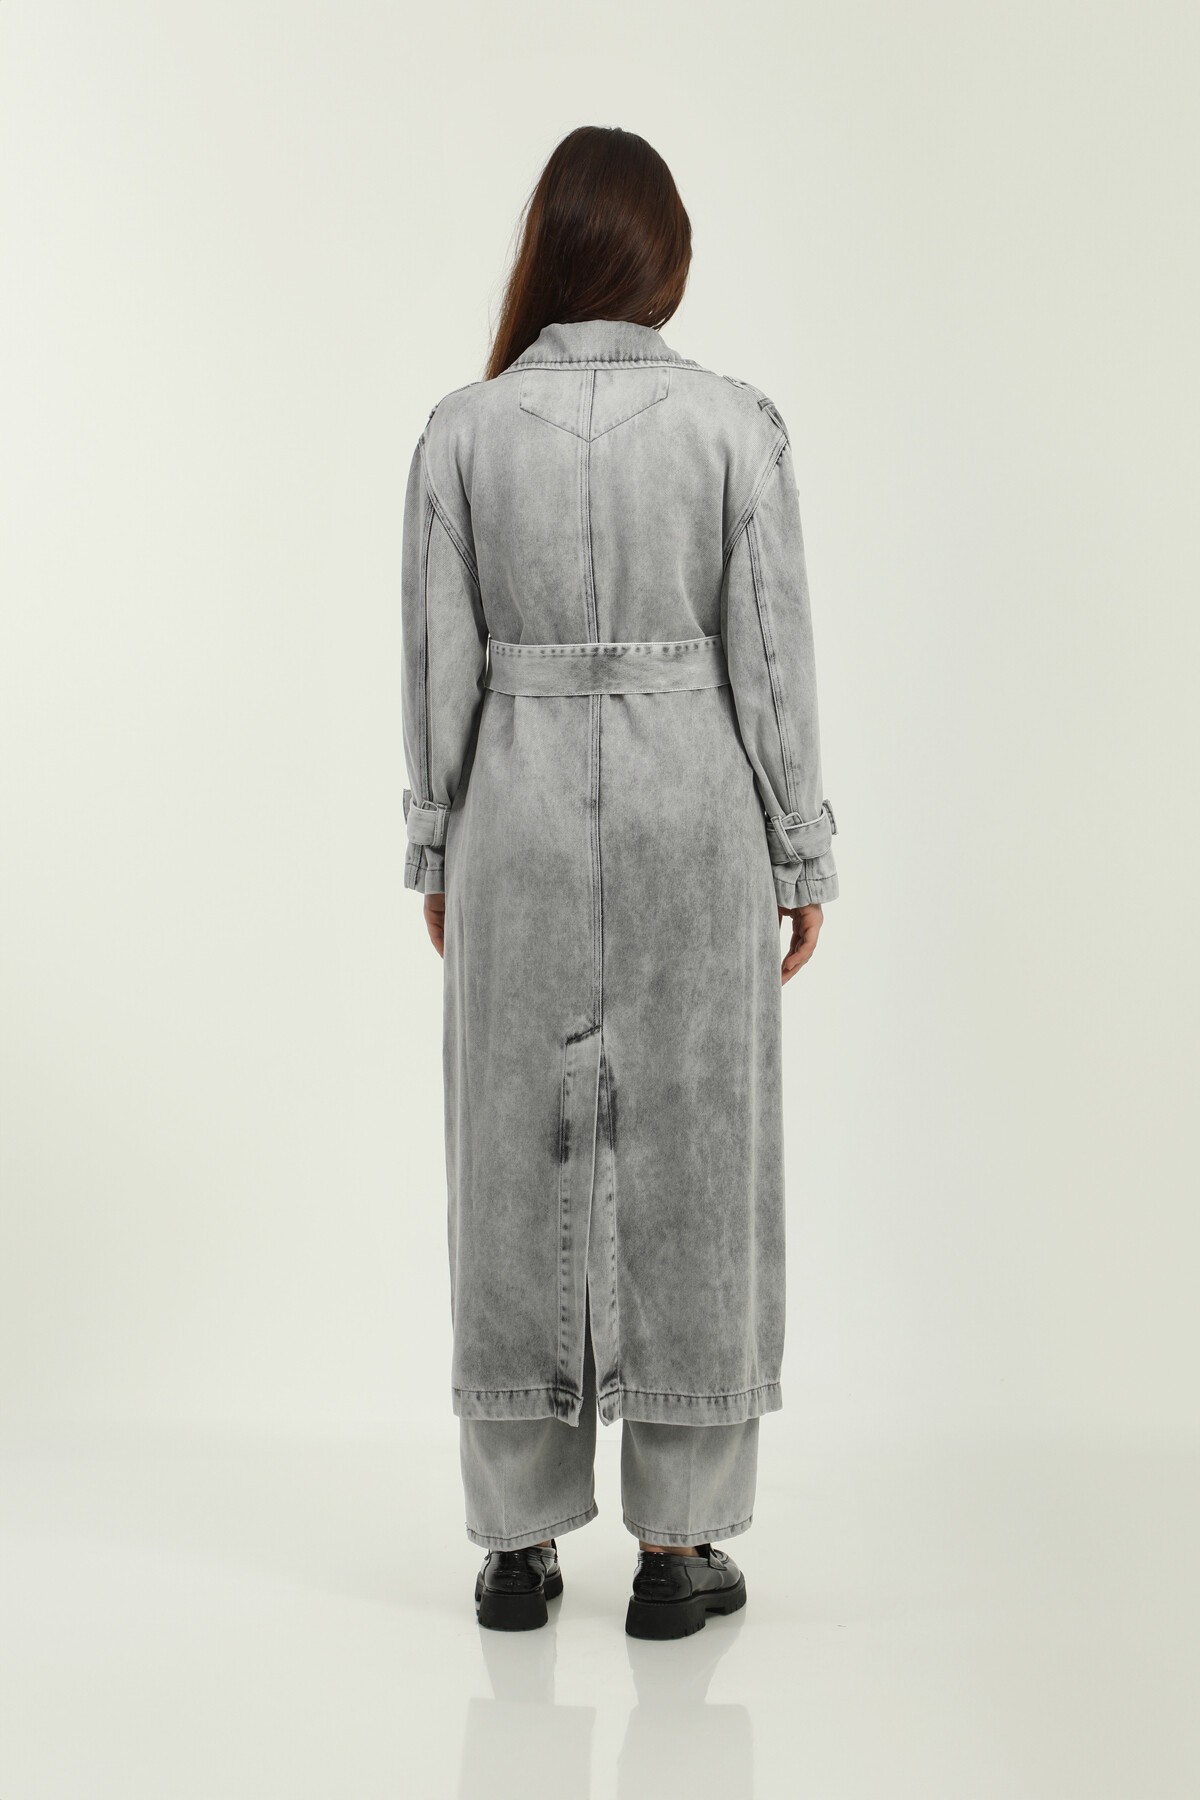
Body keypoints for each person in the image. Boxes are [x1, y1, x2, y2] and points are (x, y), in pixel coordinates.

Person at [400, 125, 839, 1640]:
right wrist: (798, 848)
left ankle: (516, 1548)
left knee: (509, 1163)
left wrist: (439, 846)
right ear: (662, 257)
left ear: (549, 248)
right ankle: (678, 1546)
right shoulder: (734, 427)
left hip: (513, 815)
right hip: (690, 819)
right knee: (697, 1161)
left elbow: (439, 666)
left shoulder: (461, 434)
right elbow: (768, 656)